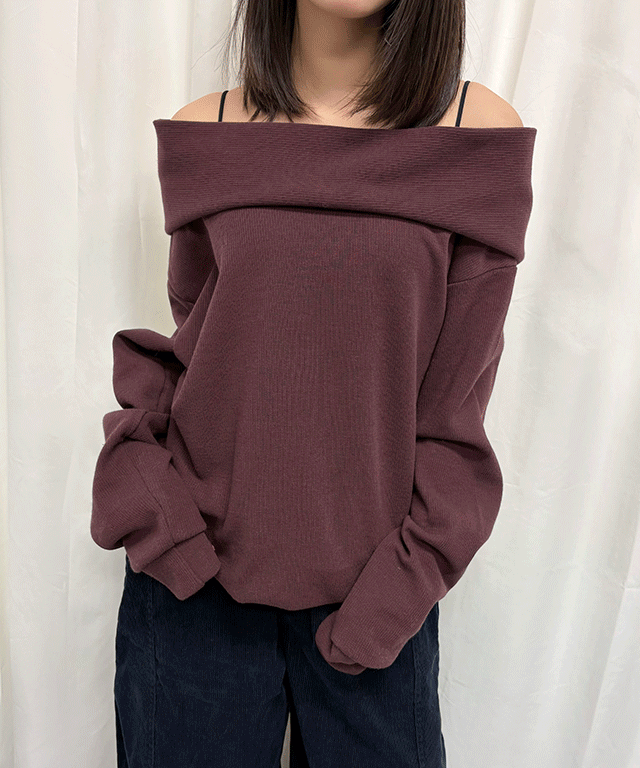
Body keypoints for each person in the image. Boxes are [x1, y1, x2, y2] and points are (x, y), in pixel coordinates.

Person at [90, 0, 537, 765]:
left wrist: (396, 594)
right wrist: (163, 519)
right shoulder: (209, 129)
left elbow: (455, 407)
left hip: (376, 595)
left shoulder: (475, 133)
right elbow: (205, 347)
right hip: (192, 580)